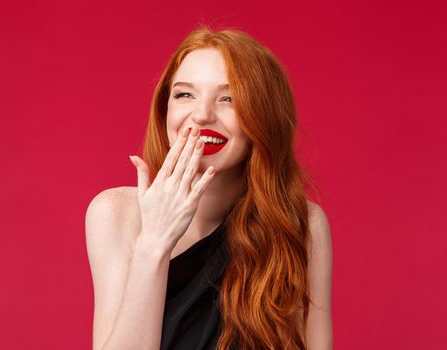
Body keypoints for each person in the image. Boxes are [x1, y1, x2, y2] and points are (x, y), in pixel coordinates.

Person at [86, 26, 333, 350]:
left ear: (263, 117)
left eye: (228, 98)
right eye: (184, 94)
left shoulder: (300, 223)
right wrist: (154, 244)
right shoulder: (115, 214)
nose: (201, 115)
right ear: (165, 111)